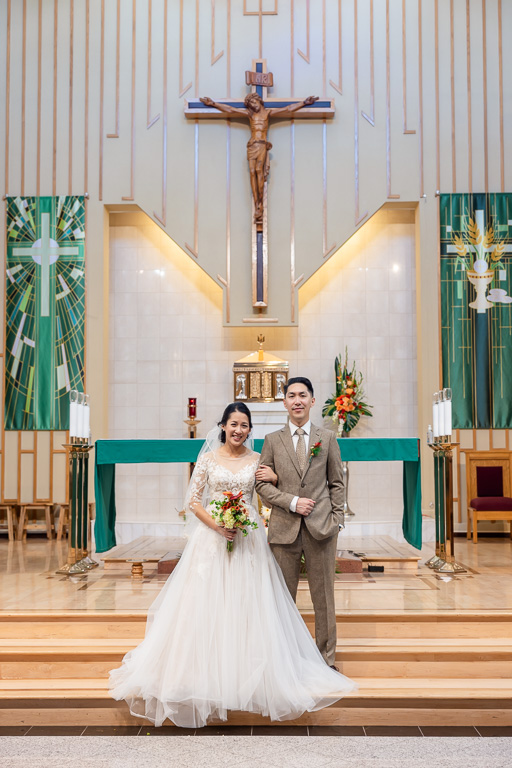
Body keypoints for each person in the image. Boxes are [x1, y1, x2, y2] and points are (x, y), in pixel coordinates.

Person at [109, 402, 356, 728]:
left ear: (249, 430)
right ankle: (201, 673)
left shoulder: (257, 461)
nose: (238, 430)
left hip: (248, 539)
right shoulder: (208, 459)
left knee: (247, 603)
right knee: (206, 604)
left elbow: (271, 493)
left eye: (244, 425)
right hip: (212, 540)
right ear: (223, 426)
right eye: (233, 424)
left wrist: (276, 476)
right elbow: (192, 501)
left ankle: (248, 670)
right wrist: (217, 525)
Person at [255, 378, 344, 670]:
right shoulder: (272, 440)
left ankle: (325, 660)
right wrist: (291, 502)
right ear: (284, 402)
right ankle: (284, 659)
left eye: (302, 395)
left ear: (312, 401)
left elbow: (336, 483)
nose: (297, 400)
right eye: (291, 395)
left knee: (324, 599)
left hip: (321, 530)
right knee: (282, 598)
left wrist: (337, 521)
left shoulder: (327, 438)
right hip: (284, 528)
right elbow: (262, 486)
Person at [199, 93, 318, 224]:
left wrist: (304, 103)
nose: (253, 106)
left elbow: (288, 109)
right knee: (251, 173)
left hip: (261, 145)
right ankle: (256, 202)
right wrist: (213, 104)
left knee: (259, 171)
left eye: (254, 103)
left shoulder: (267, 113)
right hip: (251, 145)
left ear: (259, 101)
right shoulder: (250, 115)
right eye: (250, 105)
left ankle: (260, 202)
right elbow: (231, 110)